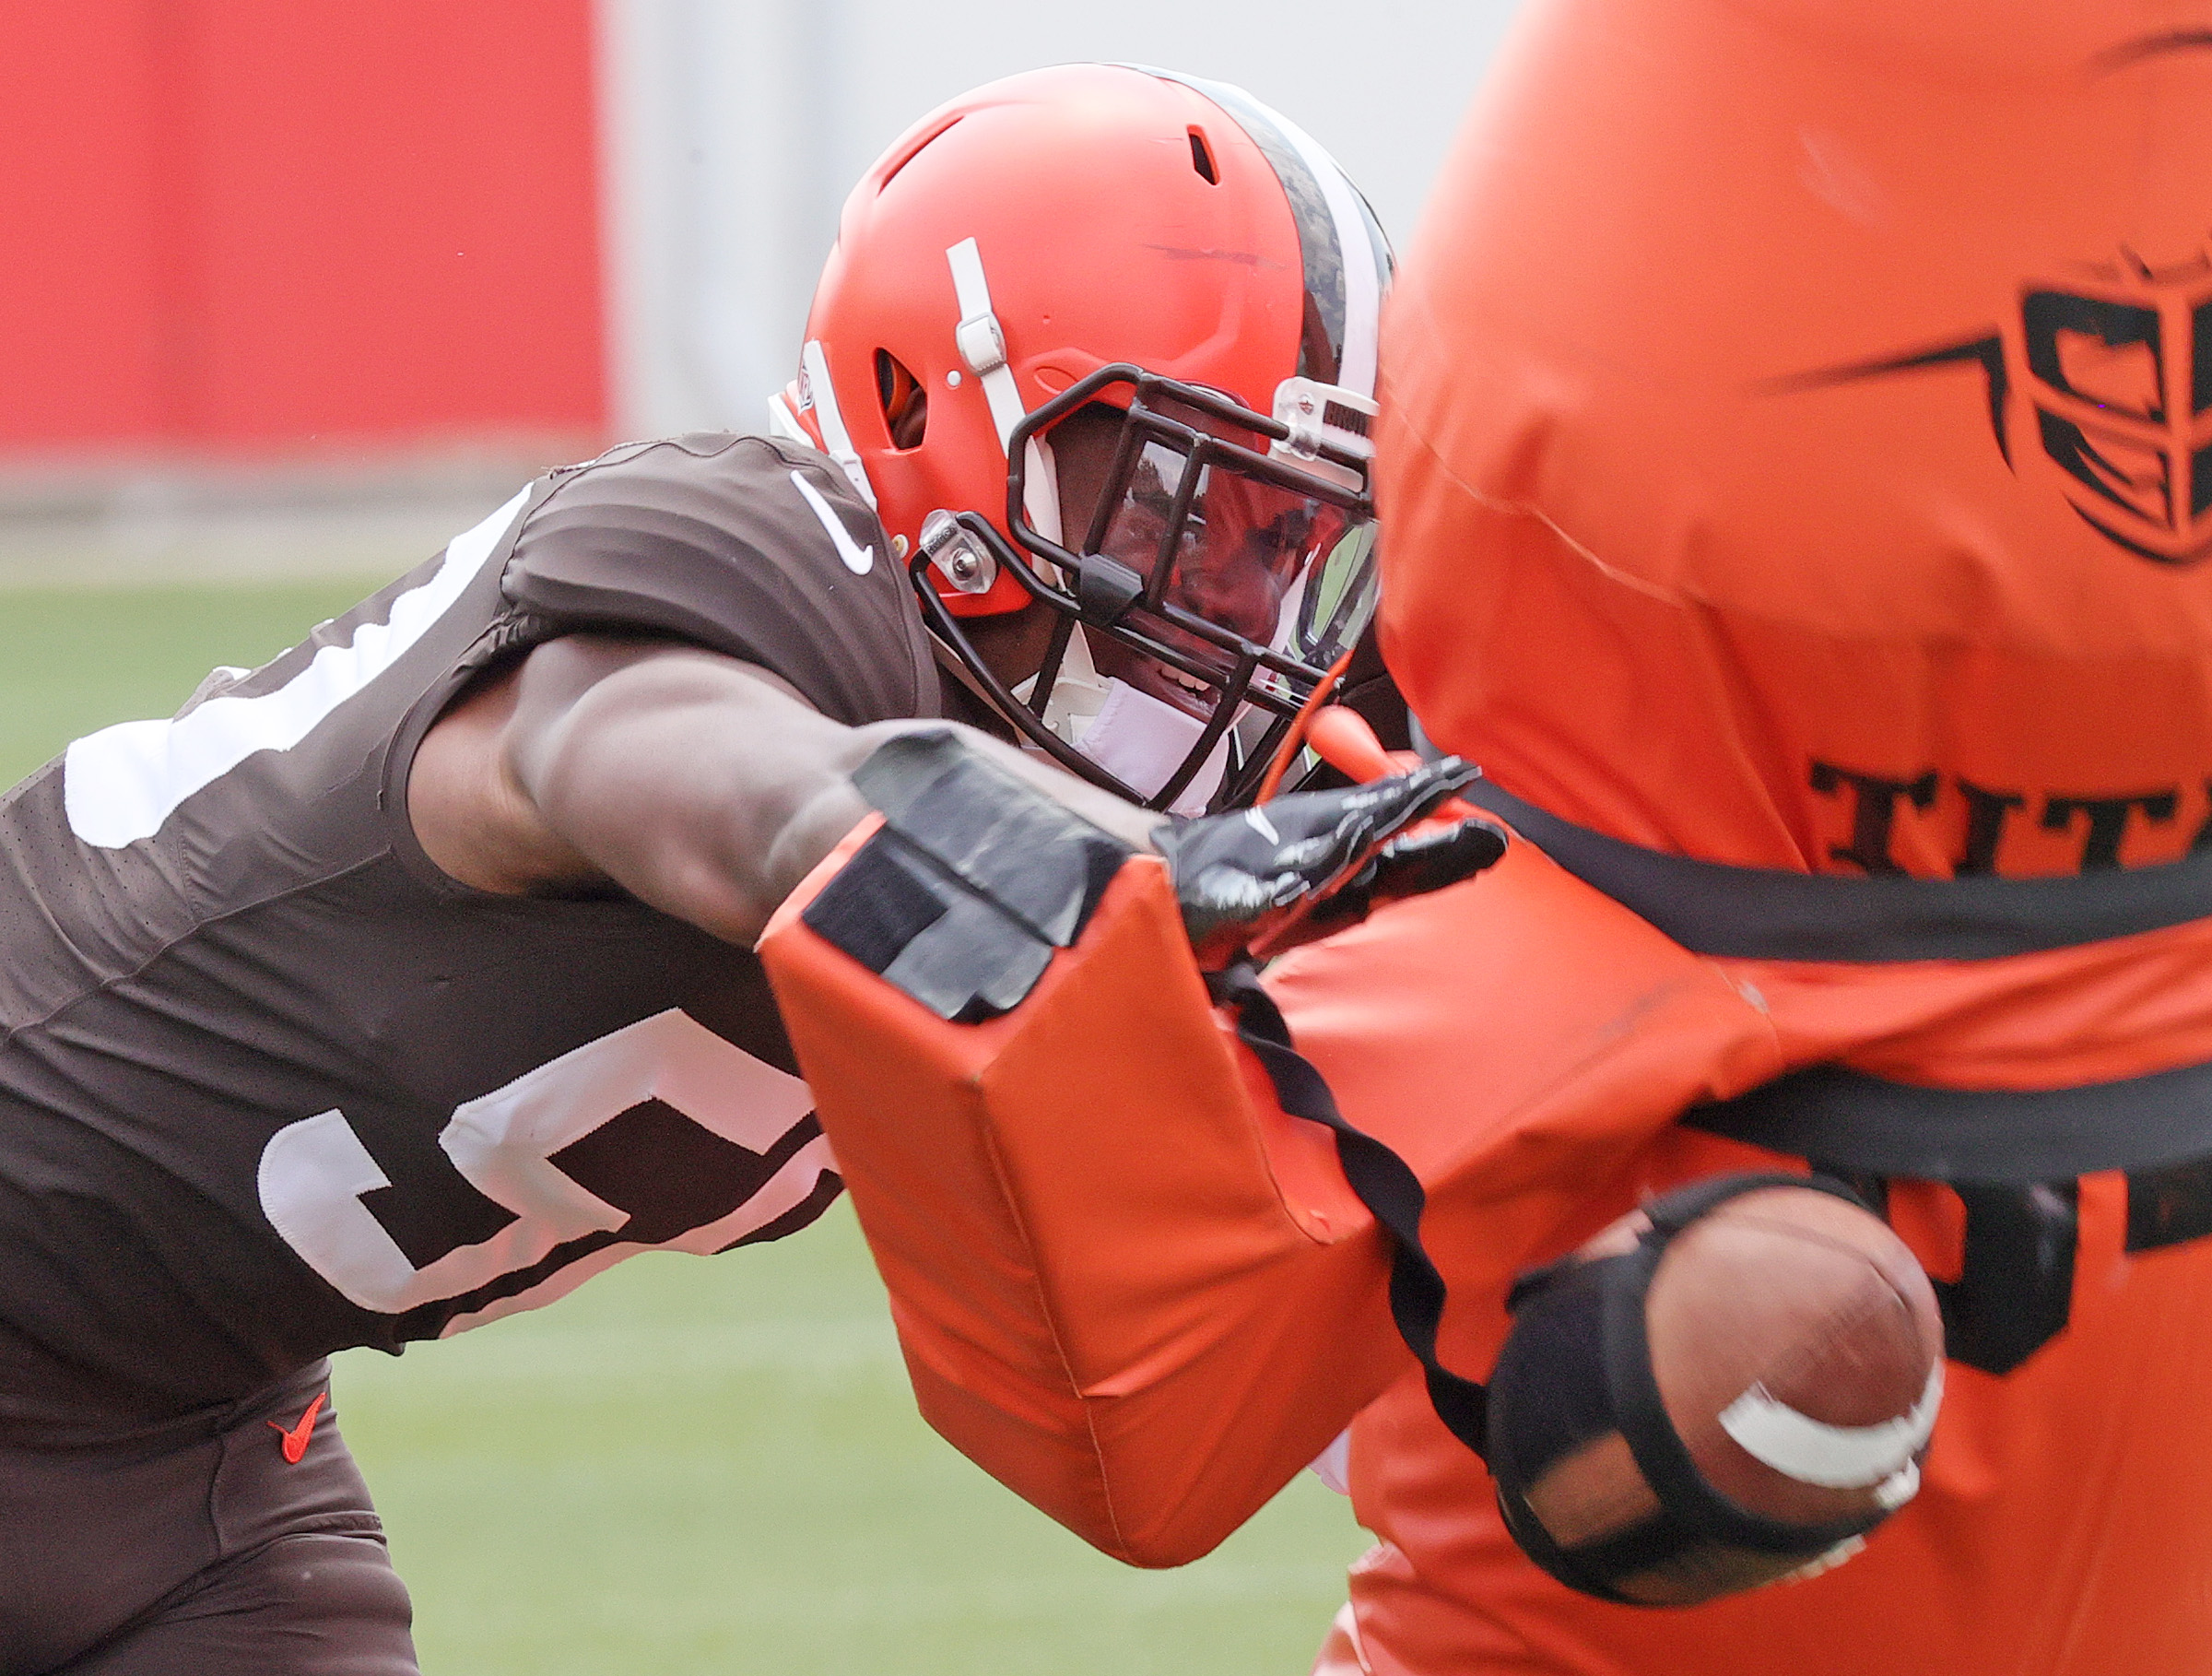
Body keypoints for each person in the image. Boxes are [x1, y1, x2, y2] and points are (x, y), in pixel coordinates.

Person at [0, 64, 1412, 1673]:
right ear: (931, 419)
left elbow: (1304, 1318)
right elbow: (668, 762)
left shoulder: (1086, 804)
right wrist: (1112, 865)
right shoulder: (772, 568)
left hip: (184, 1442)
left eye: (1292, 538)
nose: (1246, 597)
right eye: (1194, 501)